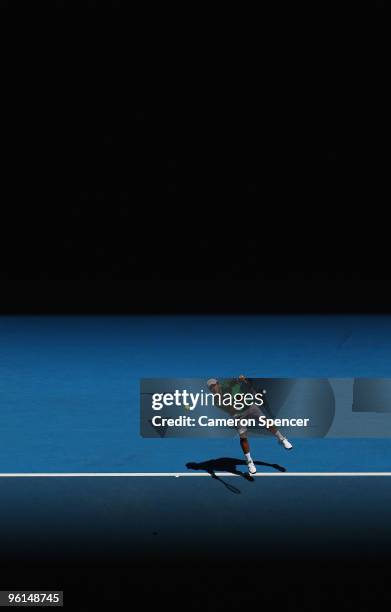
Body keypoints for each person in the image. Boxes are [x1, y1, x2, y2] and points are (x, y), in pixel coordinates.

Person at [207, 376, 293, 475]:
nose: (213, 388)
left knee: (266, 422)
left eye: (214, 385)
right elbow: (230, 410)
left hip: (249, 406)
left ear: (218, 384)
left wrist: (240, 379)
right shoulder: (216, 401)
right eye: (210, 388)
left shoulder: (226, 385)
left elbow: (234, 381)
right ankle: (249, 461)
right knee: (243, 437)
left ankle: (282, 439)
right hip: (237, 414)